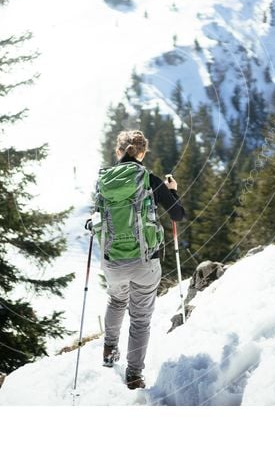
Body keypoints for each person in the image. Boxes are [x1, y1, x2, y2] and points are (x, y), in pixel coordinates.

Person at [98, 130, 185, 390]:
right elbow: (177, 215)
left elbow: (96, 217)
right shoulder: (149, 179)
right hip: (145, 261)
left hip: (112, 260)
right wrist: (172, 191)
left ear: (119, 151)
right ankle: (134, 374)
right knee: (140, 318)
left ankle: (109, 350)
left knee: (116, 300)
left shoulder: (103, 180)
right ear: (142, 153)